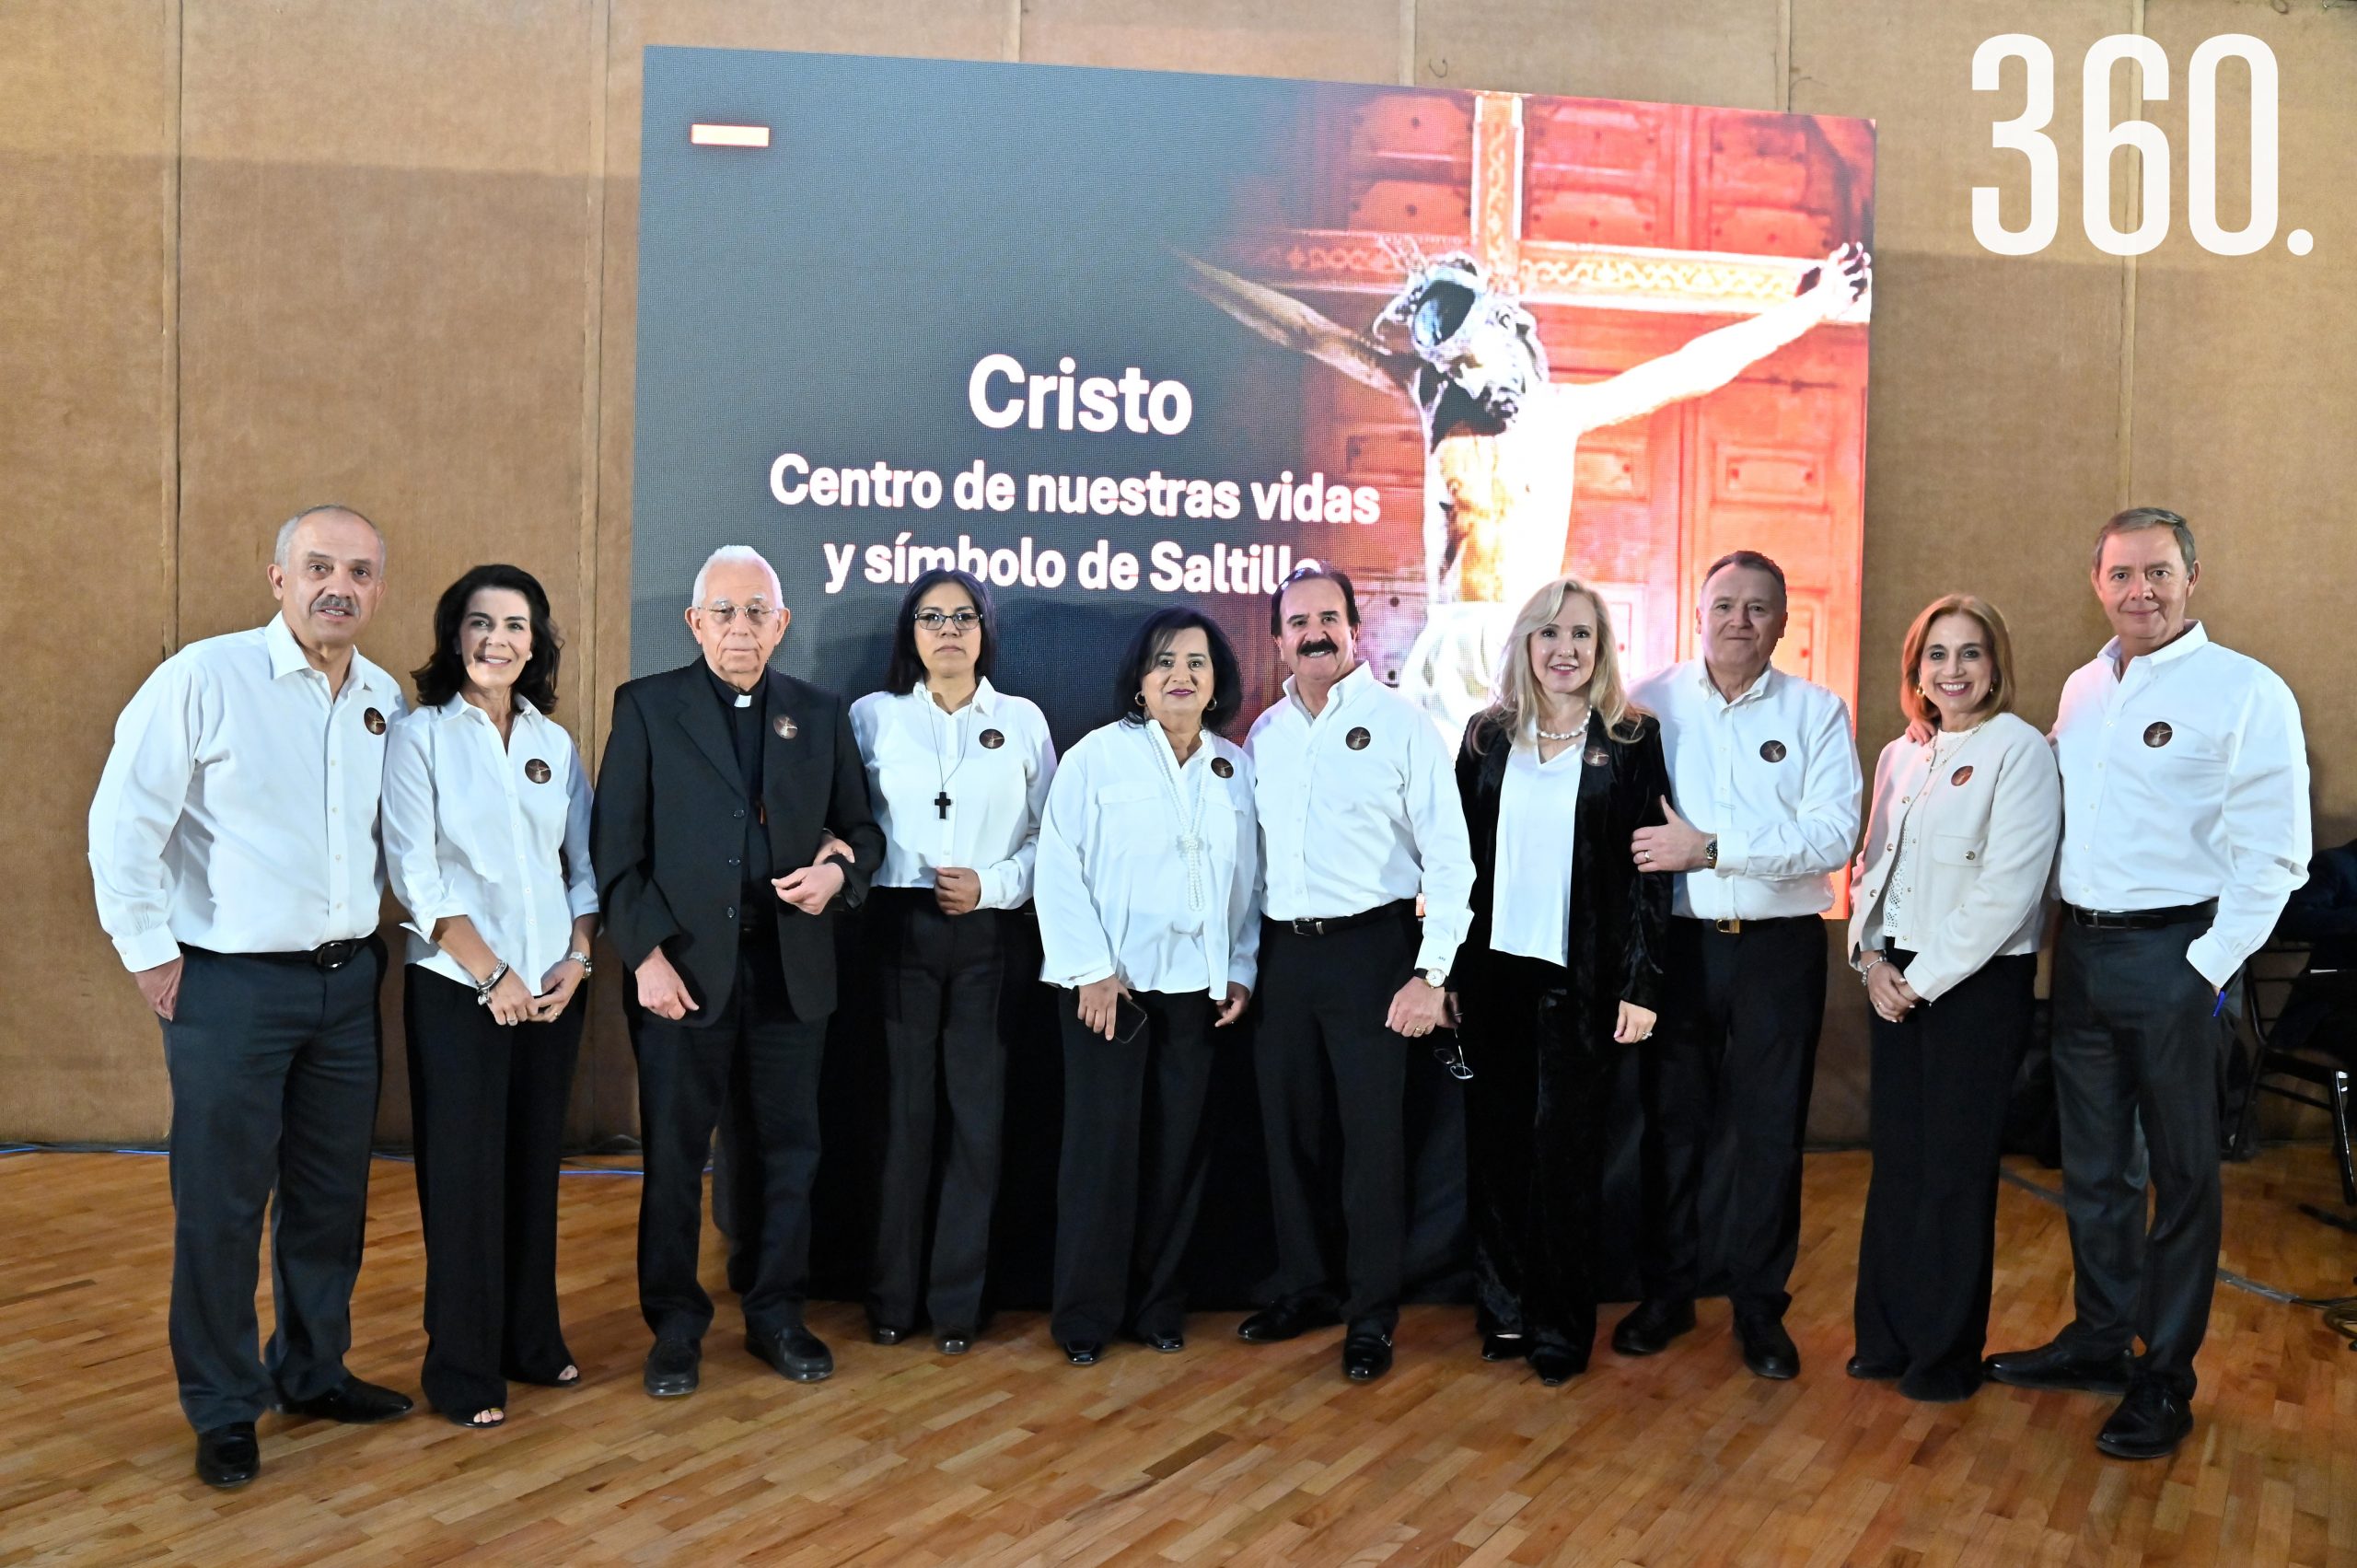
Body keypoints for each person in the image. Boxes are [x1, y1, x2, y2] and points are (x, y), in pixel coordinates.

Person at [87, 504, 413, 1489]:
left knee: (329, 1199)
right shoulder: (203, 676)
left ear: (376, 590)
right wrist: (149, 953)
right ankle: (225, 1405)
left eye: (358, 572)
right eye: (319, 565)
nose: (338, 586)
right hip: (230, 987)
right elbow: (121, 824)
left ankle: (312, 1368)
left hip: (347, 985)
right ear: (277, 576)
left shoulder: (384, 698)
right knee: (222, 1205)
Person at [1984, 508, 2309, 1459]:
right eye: (2122, 573)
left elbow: (2277, 856)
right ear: (2096, 581)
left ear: (2192, 577)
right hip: (2081, 955)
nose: (2140, 591)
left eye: (2158, 572)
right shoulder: (2086, 687)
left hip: (2177, 957)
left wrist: (2203, 969)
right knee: (2093, 1168)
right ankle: (2097, 1338)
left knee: (2182, 1178)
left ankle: (2164, 1377)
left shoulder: (2246, 691)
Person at [590, 544, 882, 1399]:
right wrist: (642, 957)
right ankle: (675, 1328)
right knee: (678, 1158)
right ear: (695, 622)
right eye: (724, 611)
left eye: (757, 611)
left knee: (787, 1153)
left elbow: (863, 835)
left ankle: (776, 1314)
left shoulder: (819, 713)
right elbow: (616, 853)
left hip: (793, 975)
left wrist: (840, 875)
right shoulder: (647, 708)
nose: (740, 627)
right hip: (680, 976)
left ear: (783, 623)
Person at [1620, 550, 1862, 1380]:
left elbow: (1834, 838)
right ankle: (1667, 1294)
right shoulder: (1648, 702)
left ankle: (1760, 1307)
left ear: (1784, 623)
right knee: (1672, 1127)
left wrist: (1713, 849)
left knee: (1769, 1136)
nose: (1739, 621)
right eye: (1725, 604)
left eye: (1758, 609)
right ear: (1698, 612)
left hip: (1779, 952)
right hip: (1680, 950)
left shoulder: (1816, 712)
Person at [1239, 563, 1476, 1382]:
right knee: (1289, 1134)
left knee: (1372, 1146)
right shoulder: (1262, 736)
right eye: (1299, 620)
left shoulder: (1403, 724)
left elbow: (1451, 859)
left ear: (1355, 627)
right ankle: (1305, 1286)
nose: (1315, 632)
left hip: (1372, 955)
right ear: (1278, 640)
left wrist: (1432, 973)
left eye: (1329, 617)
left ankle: (1371, 1314)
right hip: (1283, 957)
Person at [381, 564, 599, 1428]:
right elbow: (417, 874)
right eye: (479, 622)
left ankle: (530, 1341)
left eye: (515, 625)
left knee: (533, 1171)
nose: (496, 640)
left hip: (553, 991)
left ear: (536, 643)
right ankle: (461, 1365)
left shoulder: (555, 742)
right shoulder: (419, 734)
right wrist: (492, 974)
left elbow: (584, 869)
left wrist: (577, 960)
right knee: (464, 1178)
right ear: (453, 634)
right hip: (459, 989)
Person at [1446, 576, 1673, 1385]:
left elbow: (1651, 874)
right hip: (1493, 977)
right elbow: (1454, 864)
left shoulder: (1632, 740)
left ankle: (1559, 1326)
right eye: (1548, 633)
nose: (1565, 649)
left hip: (1585, 981)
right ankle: (1505, 1311)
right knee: (1499, 1152)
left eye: (1580, 634)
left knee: (1568, 1161)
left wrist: (1643, 986)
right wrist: (1441, 970)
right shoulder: (1485, 737)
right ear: (1525, 646)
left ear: (1602, 647)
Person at [1845, 595, 2060, 1403]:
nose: (1954, 669)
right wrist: (1869, 959)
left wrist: (1920, 980)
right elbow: (1873, 866)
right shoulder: (1904, 753)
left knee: (1954, 1170)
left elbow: (2010, 891)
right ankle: (1885, 1337)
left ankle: (1943, 1355)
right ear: (1917, 670)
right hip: (1892, 975)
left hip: (1973, 984)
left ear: (1996, 665)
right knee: (1897, 1161)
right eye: (1938, 654)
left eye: (1971, 653)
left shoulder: (2020, 751)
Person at [1033, 608, 1260, 1366]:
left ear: (1216, 680)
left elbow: (1249, 883)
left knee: (1177, 1155)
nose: (1181, 675)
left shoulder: (1235, 766)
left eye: (1196, 663)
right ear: (1139, 679)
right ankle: (1085, 1317)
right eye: (1165, 662)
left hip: (1197, 996)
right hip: (1111, 994)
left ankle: (1159, 1306)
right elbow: (1057, 866)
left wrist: (1241, 966)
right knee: (1101, 1157)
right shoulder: (1096, 757)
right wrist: (1090, 970)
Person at [849, 569, 1055, 1354]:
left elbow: (1052, 840)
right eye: (932, 617)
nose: (948, 630)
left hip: (988, 935)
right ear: (911, 633)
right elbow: (850, 822)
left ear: (983, 631)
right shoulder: (874, 718)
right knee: (902, 1120)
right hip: (895, 931)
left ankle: (959, 1304)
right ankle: (893, 1298)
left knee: (977, 1122)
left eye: (963, 617)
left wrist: (995, 884)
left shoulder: (1024, 720)